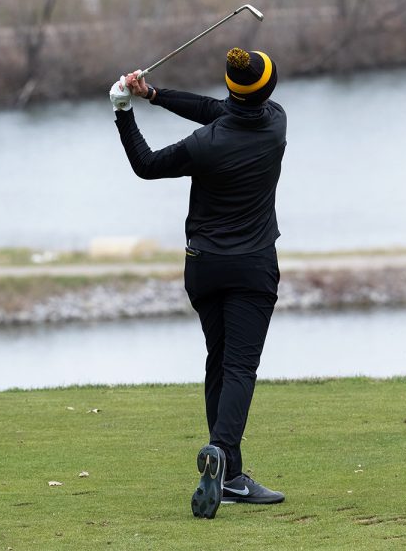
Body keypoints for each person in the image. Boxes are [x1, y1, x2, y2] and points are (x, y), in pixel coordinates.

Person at [109, 47, 286, 519]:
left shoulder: (204, 144)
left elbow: (146, 164)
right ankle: (222, 458)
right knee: (240, 368)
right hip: (252, 268)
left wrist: (124, 112)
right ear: (266, 90)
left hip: (203, 267)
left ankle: (230, 476)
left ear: (231, 89)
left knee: (218, 362)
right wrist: (155, 95)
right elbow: (218, 110)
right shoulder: (276, 124)